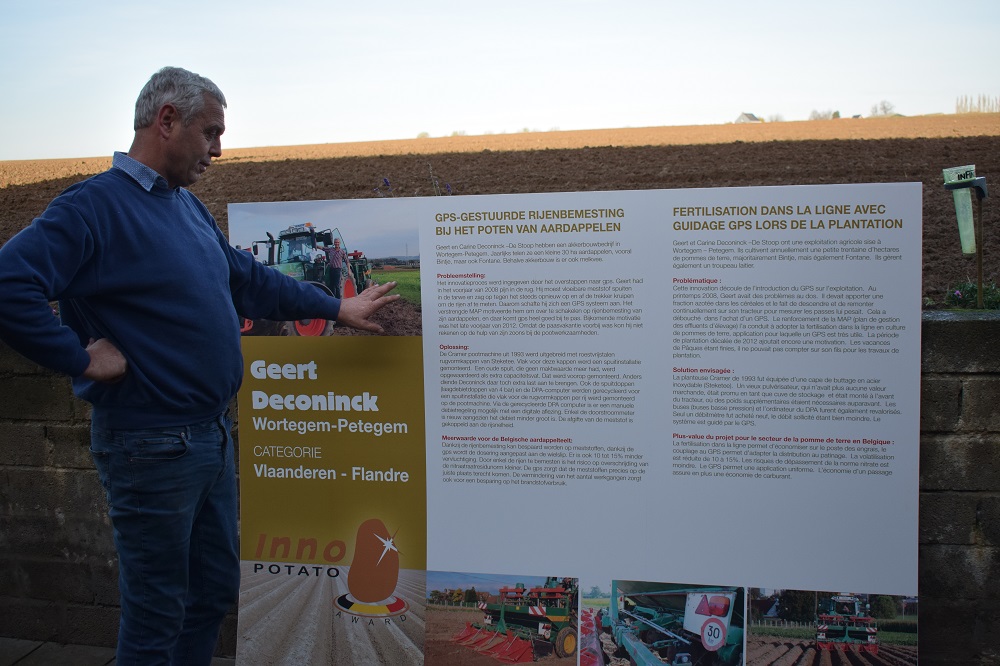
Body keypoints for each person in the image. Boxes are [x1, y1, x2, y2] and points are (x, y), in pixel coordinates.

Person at [0, 66, 398, 665]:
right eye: (210, 132)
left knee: (211, 593)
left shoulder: (185, 208)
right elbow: (10, 283)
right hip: (150, 445)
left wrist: (336, 306)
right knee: (157, 610)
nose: (219, 148)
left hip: (208, 436)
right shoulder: (93, 208)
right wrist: (75, 356)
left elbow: (250, 280)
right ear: (167, 120)